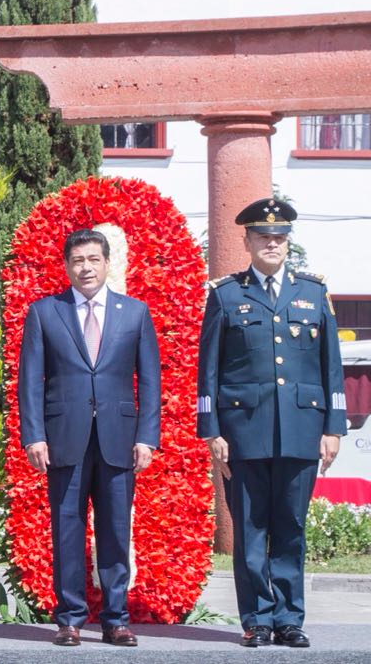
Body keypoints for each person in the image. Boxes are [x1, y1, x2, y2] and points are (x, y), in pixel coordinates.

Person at [197, 197, 346, 648]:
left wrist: (333, 427)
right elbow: (209, 370)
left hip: (302, 430)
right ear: (248, 241)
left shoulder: (313, 293)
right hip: (243, 433)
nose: (272, 244)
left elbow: (331, 367)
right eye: (263, 237)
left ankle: (289, 619)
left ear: (287, 243)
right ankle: (257, 620)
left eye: (279, 238)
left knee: (291, 528)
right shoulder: (226, 295)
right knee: (249, 528)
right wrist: (211, 431)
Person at [17, 229, 161, 647]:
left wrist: (147, 437)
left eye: (93, 259)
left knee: (116, 529)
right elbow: (30, 381)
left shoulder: (134, 313)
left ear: (106, 262)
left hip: (119, 436)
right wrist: (34, 436)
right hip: (64, 437)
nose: (85, 267)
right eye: (77, 260)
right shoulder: (45, 312)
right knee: (67, 527)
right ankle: (70, 618)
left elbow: (150, 380)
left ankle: (116, 618)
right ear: (66, 266)